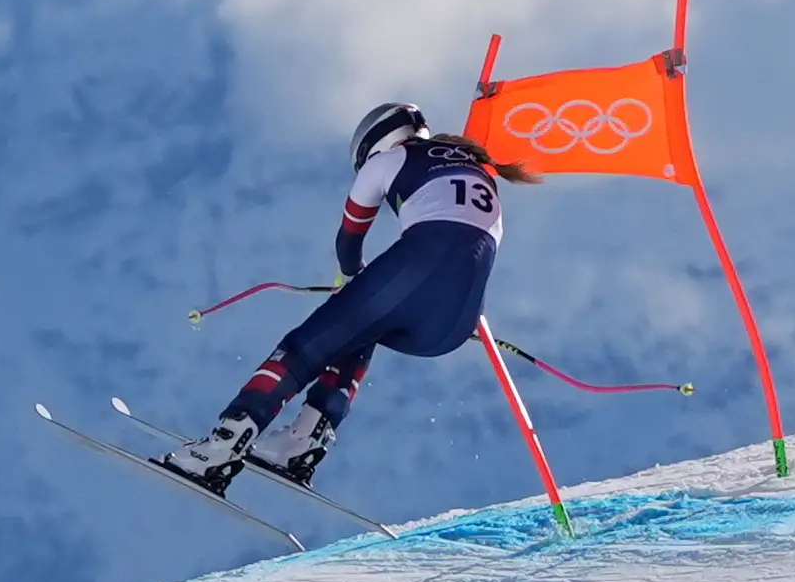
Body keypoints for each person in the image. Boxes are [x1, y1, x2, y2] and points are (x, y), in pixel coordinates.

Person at [159, 102, 542, 496]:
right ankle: (304, 440)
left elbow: (349, 238)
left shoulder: (392, 159)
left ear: (377, 140)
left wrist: (350, 278)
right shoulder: (480, 171)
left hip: (416, 271)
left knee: (303, 349)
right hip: (455, 325)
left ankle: (221, 448)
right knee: (358, 330)